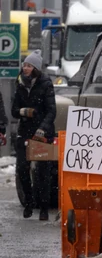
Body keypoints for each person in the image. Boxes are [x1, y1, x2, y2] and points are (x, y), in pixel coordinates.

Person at [13, 51, 56, 220]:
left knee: (43, 171)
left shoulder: (46, 84)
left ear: (36, 68)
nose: (25, 68)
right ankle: (29, 202)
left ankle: (44, 207)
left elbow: (51, 111)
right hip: (25, 132)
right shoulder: (20, 84)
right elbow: (14, 110)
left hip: (42, 133)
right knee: (22, 168)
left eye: (29, 66)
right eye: (24, 65)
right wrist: (23, 111)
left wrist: (42, 128)